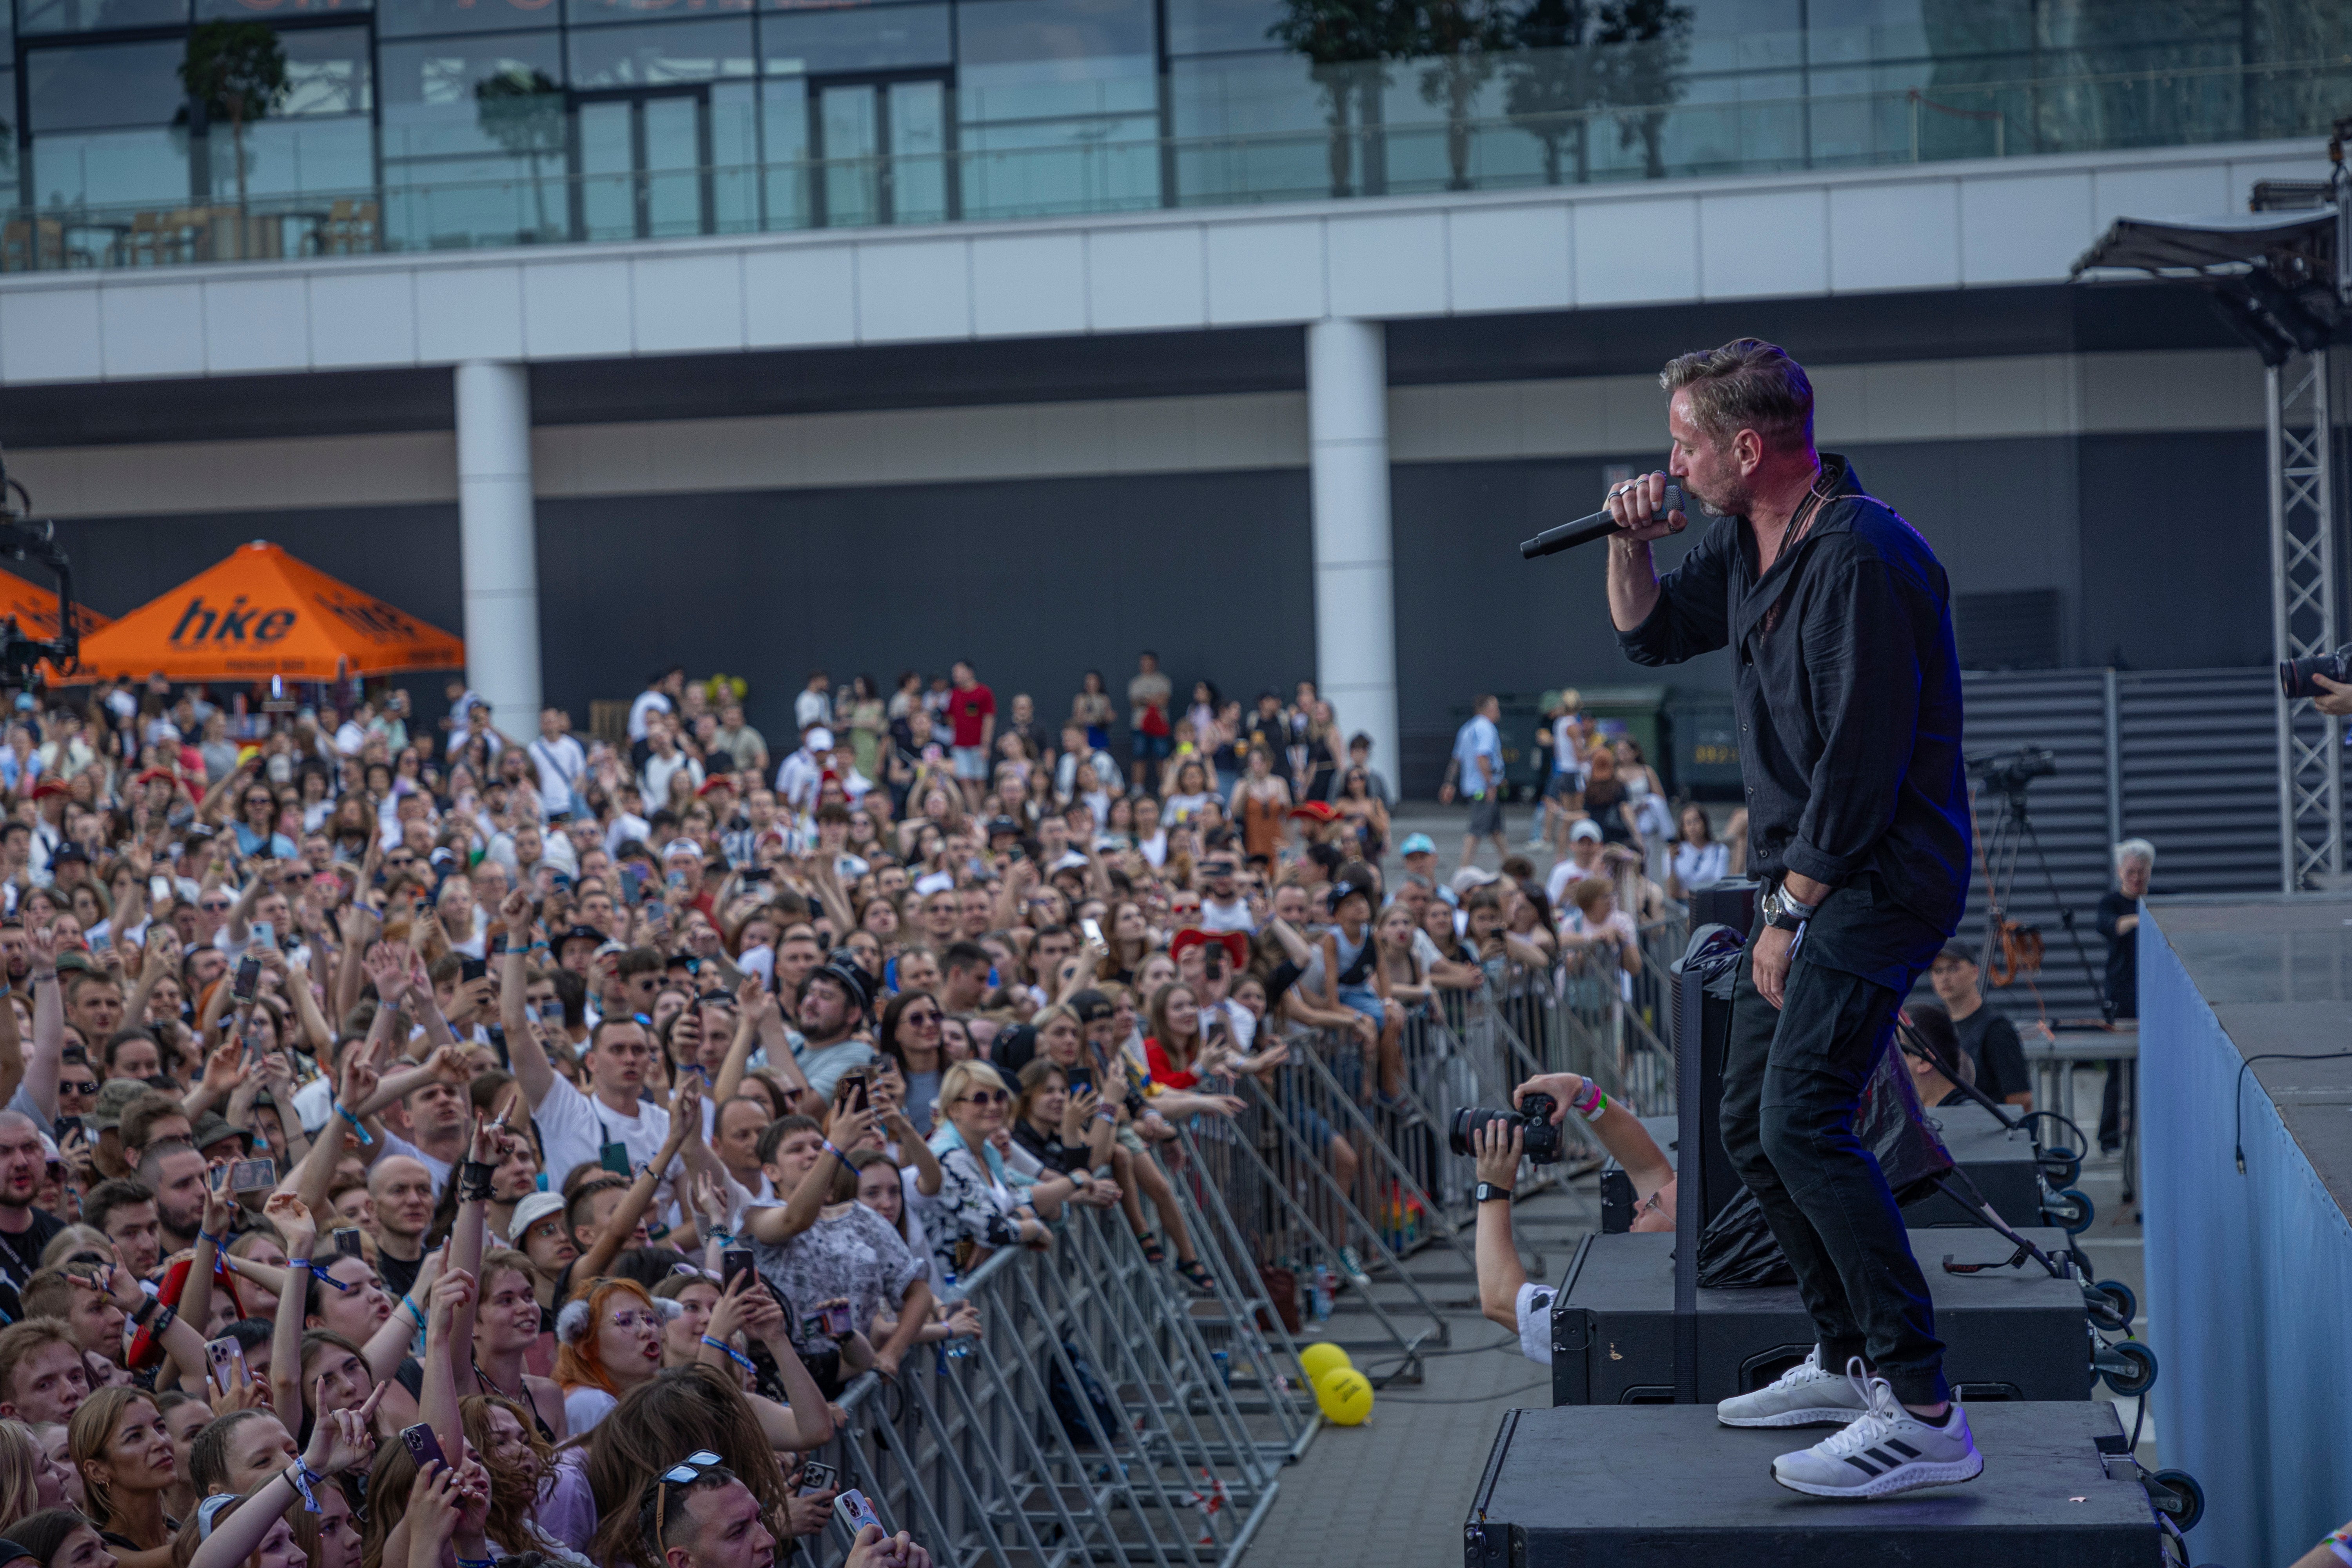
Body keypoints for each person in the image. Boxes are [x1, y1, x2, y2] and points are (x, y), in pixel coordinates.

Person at [1606, 337, 1978, 1497]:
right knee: (1745, 1124)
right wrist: (1625, 545)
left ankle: (1922, 1408)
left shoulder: (1860, 553)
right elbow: (1648, 633)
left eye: (1682, 442)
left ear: (1745, 446)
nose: (1668, 461)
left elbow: (1862, 766)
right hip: (1803, 876)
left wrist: (1787, 913)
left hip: (1871, 876)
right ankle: (1845, 1350)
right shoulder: (1749, 539)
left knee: (1806, 1118)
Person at [1473, 1073, 1675, 1363]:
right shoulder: (1694, 1253)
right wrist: (1583, 1092)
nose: (1639, 1203)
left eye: (1653, 1203)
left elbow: (1501, 1299)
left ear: (1679, 1232)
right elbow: (1647, 1168)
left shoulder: (1615, 1306)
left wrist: (1493, 1187)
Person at [2093, 838, 2153, 1155]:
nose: (2136, 879)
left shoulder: (2159, 901)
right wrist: (2140, 920)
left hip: (2155, 998)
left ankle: (2149, 1130)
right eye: (2131, 872)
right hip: (2122, 998)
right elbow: (2110, 926)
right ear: (2120, 872)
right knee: (2117, 1070)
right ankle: (2110, 1136)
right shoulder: (2111, 903)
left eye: (2142, 873)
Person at [1922, 942, 2031, 1109]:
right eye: (1938, 971)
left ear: (1975, 972)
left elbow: (2020, 1100)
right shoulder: (1934, 1027)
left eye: (1953, 968)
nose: (1944, 977)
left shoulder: (1996, 1029)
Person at [1441, 696, 1505, 871]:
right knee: (1476, 829)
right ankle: (1463, 869)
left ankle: (1509, 865)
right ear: (1488, 709)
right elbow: (1482, 757)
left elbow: (1457, 759)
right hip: (1482, 789)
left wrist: (1449, 783)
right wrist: (1490, 784)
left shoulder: (1467, 728)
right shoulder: (1486, 728)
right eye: (1496, 708)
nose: (1499, 712)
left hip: (1474, 786)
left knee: (1495, 830)